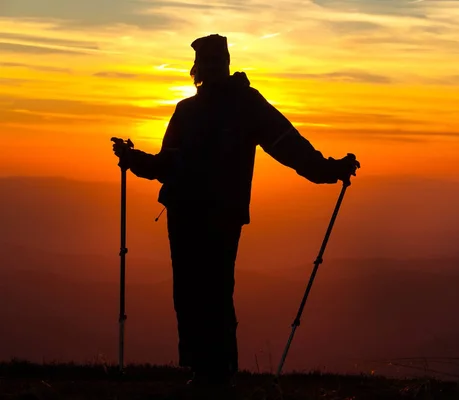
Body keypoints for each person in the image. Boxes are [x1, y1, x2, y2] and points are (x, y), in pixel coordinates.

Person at [112, 34, 360, 387]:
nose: (211, 69)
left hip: (212, 213)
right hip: (192, 211)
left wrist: (327, 170)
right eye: (208, 63)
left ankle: (217, 371)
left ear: (222, 65)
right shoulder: (196, 109)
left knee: (209, 289)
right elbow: (169, 164)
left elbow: (288, 145)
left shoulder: (242, 105)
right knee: (192, 290)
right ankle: (205, 370)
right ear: (199, 68)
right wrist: (135, 160)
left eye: (216, 62)